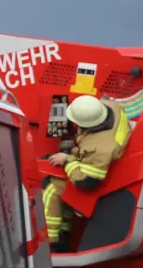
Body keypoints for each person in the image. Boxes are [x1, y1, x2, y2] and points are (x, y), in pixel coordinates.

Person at [42, 94, 132, 248]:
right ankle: (64, 232)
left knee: (50, 187)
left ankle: (50, 243)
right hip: (101, 163)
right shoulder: (110, 107)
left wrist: (67, 160)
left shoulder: (101, 150)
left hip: (99, 182)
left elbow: (87, 181)